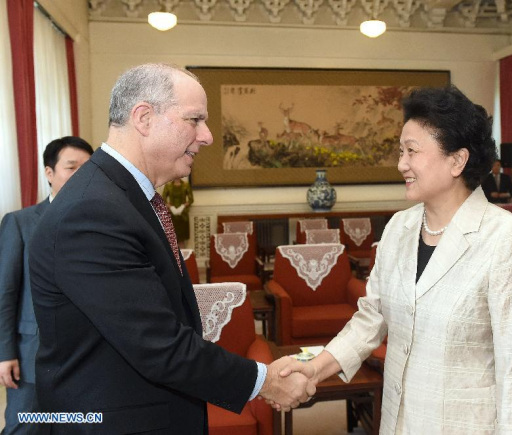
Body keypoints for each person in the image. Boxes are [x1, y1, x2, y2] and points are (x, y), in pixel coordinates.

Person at [28, 64, 314, 434]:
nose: (208, 136)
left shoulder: (120, 196)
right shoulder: (93, 211)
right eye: (194, 119)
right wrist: (265, 381)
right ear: (144, 117)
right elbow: (157, 345)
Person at [280, 86, 512, 433]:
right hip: (398, 421)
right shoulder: (399, 228)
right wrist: (316, 368)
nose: (400, 163)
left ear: (457, 160)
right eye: (400, 151)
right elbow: (371, 319)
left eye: (412, 152)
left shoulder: (505, 239)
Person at [0, 136, 93, 434]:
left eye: (87, 168)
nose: (81, 175)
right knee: (24, 428)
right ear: (49, 173)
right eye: (71, 167)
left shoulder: (100, 224)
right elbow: (5, 293)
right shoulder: (20, 223)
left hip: (85, 356)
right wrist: (5, 353)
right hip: (31, 357)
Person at [162, 178, 193, 247]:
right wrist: (170, 207)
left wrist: (183, 206)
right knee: (173, 239)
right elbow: (163, 199)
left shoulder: (186, 185)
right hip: (172, 216)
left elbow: (191, 200)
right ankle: (175, 257)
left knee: (182, 239)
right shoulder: (168, 185)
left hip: (183, 216)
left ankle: (183, 256)